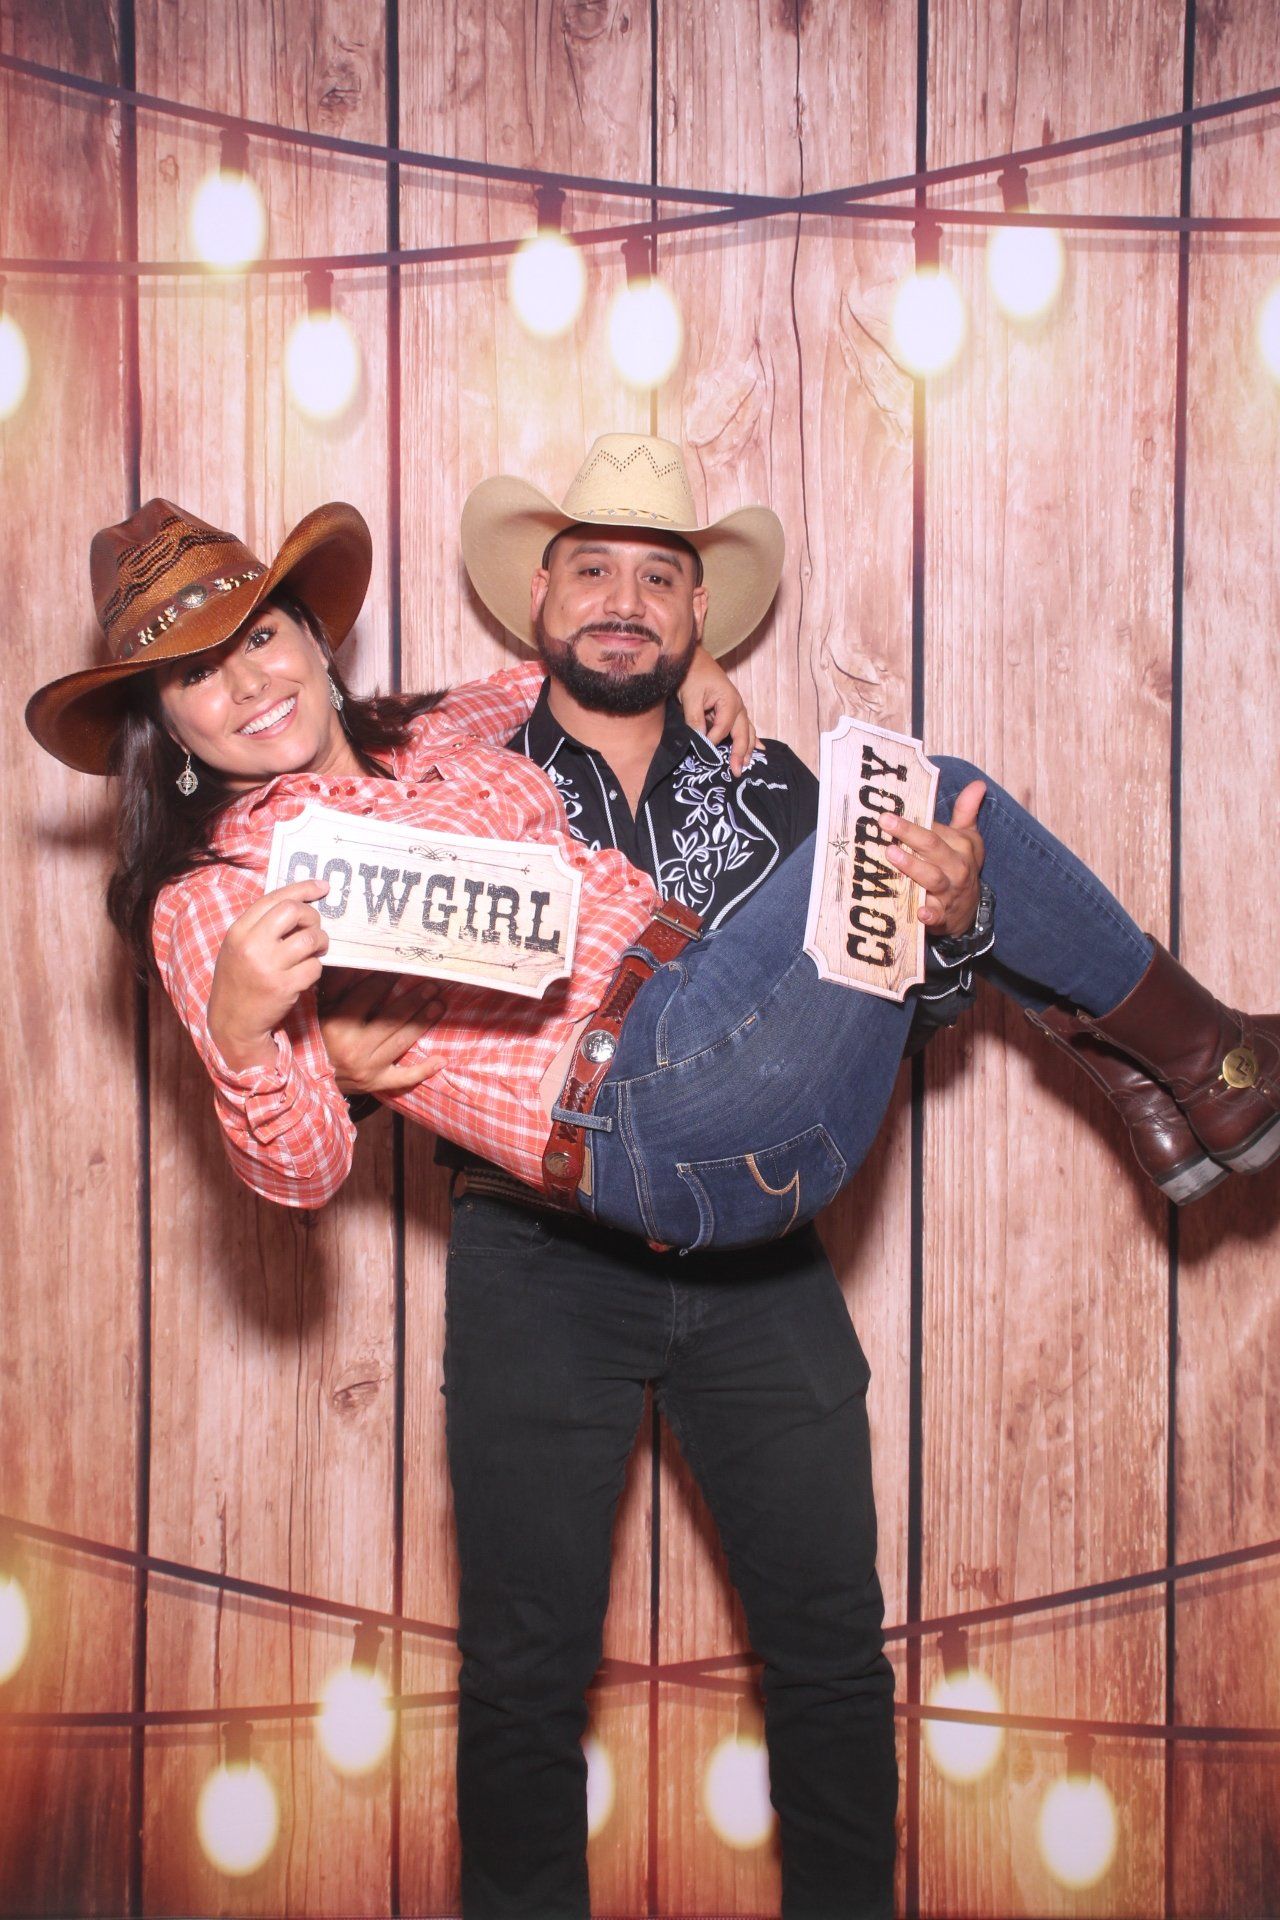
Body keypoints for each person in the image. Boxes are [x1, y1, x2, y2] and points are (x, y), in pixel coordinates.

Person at [24, 474, 1280, 1913]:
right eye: (197, 674)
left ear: (314, 638)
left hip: (748, 1122)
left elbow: (581, 677)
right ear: (164, 725)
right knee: (525, 1676)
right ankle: (1208, 1067)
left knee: (828, 1647)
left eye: (261, 637)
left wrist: (711, 681)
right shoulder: (211, 900)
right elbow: (298, 1170)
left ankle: (1165, 1075)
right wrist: (258, 1035)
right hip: (615, 1137)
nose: (249, 684)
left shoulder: (455, 731)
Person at [319, 435, 987, 1919]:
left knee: (830, 1652)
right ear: (537, 599)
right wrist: (336, 1062)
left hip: (758, 1258)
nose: (624, 602)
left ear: (698, 618)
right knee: (523, 1675)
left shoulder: (782, 795)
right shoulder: (448, 781)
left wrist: (950, 925)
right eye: (594, 570)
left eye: (659, 579)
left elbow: (898, 1016)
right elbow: (337, 979)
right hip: (537, 1253)